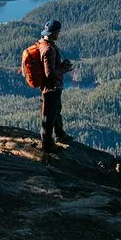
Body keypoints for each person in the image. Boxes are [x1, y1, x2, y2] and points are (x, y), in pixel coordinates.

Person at [38, 19, 73, 153]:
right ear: (54, 33)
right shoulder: (48, 50)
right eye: (58, 32)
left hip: (52, 87)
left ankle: (60, 134)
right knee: (48, 116)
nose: (58, 34)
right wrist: (64, 68)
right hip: (51, 88)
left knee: (56, 111)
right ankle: (47, 145)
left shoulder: (43, 43)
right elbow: (50, 73)